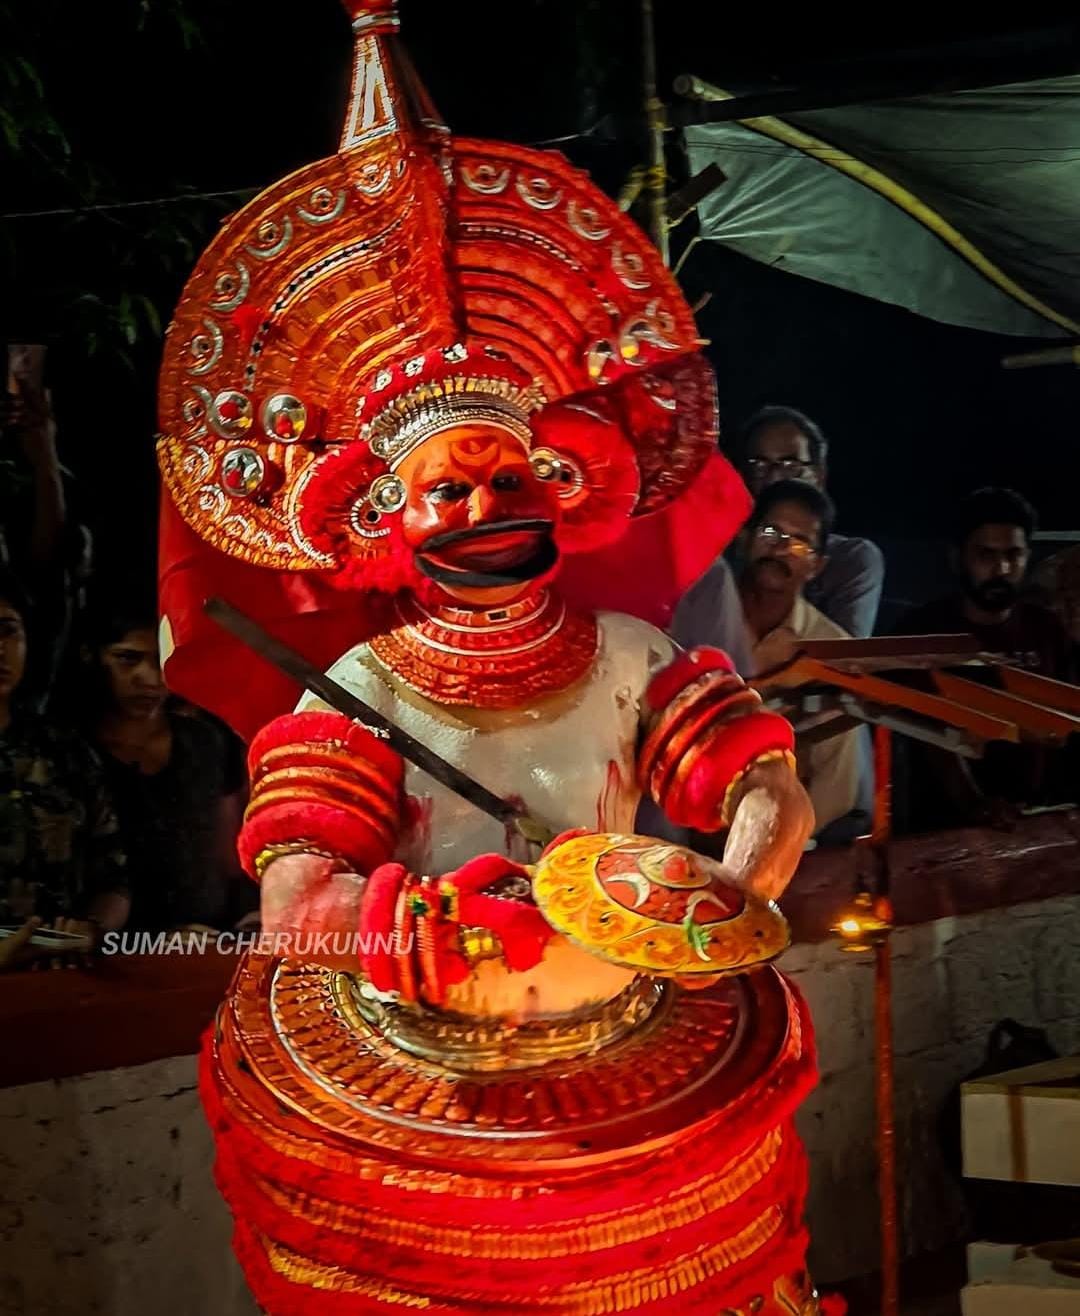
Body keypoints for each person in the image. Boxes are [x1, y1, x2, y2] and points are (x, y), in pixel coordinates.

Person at [155, 7, 835, 1312]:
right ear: (386, 523)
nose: (478, 506)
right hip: (427, 1064)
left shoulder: (635, 657)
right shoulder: (356, 695)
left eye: (501, 472)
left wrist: (750, 866)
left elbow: (754, 777)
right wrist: (381, 924)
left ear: (561, 483)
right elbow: (294, 899)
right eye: (445, 492)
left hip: (634, 1034)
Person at [898, 487, 1076, 823]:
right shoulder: (921, 631)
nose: (1002, 568)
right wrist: (975, 806)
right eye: (986, 555)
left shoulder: (1048, 630)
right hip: (941, 832)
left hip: (1038, 821)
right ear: (957, 557)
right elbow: (927, 736)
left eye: (1014, 555)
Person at [79, 601, 248, 933]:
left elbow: (229, 848)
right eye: (128, 659)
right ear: (93, 658)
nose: (150, 678)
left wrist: (248, 913)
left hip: (209, 935)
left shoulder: (205, 741)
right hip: (114, 944)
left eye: (162, 660)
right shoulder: (75, 750)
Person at [0, 571, 128, 967]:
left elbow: (115, 879)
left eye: (8, 631)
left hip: (64, 980)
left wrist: (93, 929)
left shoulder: (64, 750)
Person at [739, 480, 861, 837]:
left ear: (817, 566)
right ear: (744, 538)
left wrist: (774, 839)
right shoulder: (697, 614)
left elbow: (836, 786)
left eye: (800, 543)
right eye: (771, 531)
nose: (780, 549)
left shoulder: (831, 649)